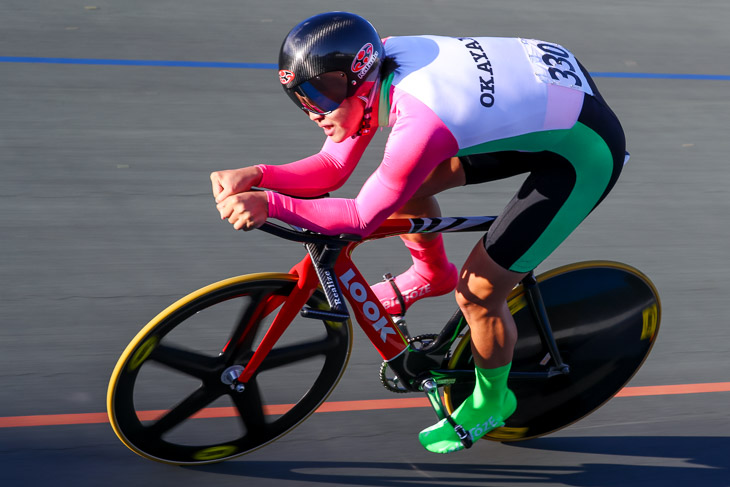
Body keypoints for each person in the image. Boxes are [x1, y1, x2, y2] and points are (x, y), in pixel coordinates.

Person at [211, 11, 626, 454]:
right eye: (302, 98)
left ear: (359, 76)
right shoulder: (375, 66)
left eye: (322, 95)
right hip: (541, 100)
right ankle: (431, 274)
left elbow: (359, 219)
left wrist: (269, 202)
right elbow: (331, 167)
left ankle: (493, 400)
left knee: (479, 293)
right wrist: (257, 174)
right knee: (412, 182)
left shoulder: (421, 120)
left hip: (585, 150)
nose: (315, 112)